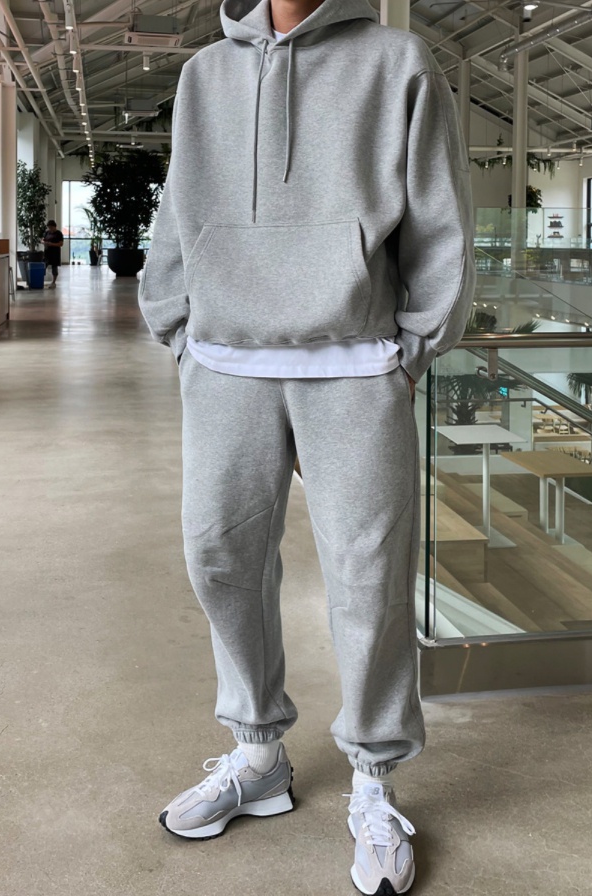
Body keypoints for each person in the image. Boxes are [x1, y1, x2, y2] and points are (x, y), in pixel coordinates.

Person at [139, 0, 474, 892]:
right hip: (225, 360)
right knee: (218, 554)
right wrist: (176, 325)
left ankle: (374, 778)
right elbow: (178, 205)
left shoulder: (397, 62)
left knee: (368, 572)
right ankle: (258, 755)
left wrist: (411, 349)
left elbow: (439, 214)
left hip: (357, 361)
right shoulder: (204, 75)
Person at [42, 220, 64, 288]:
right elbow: (43, 239)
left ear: (55, 226)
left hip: (55, 253)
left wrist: (52, 244)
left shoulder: (58, 233)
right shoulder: (47, 232)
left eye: (51, 227)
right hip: (47, 252)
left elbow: (61, 244)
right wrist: (44, 242)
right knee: (43, 266)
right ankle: (41, 280)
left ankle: (53, 282)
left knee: (54, 267)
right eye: (49, 227)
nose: (50, 229)